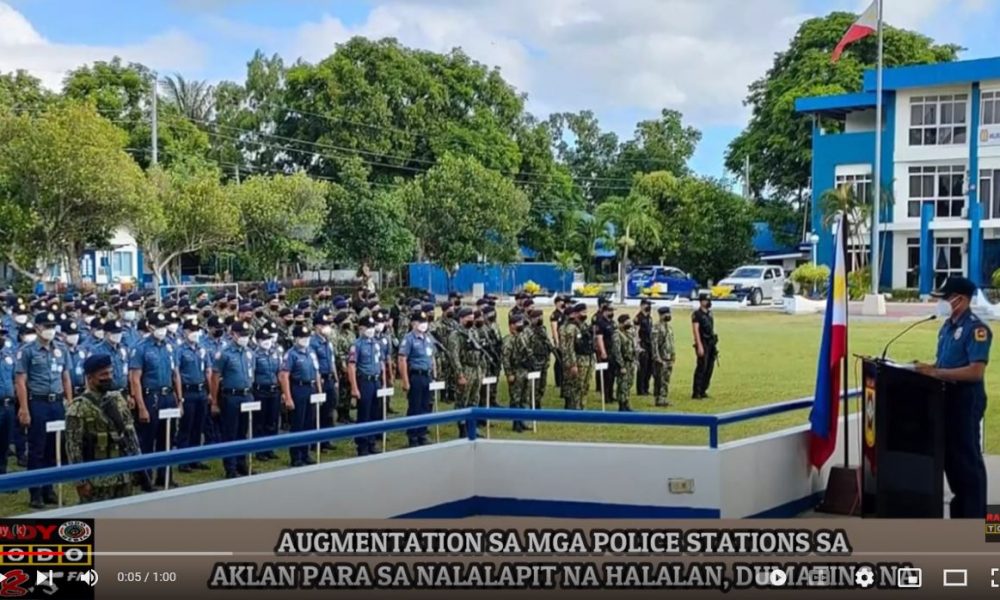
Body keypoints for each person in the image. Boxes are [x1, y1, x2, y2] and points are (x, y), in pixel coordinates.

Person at [916, 276, 992, 518]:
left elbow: (975, 371)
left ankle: (986, 526)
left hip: (965, 400)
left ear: (960, 299)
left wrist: (936, 372)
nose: (942, 302)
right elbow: (944, 363)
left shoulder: (976, 329)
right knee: (954, 464)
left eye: (946, 298)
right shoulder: (947, 327)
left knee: (969, 463)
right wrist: (924, 369)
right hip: (945, 400)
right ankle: (962, 520)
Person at [15, 312, 72, 509]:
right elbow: (21, 381)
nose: (50, 329)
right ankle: (35, 493)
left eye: (53, 325)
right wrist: (24, 408)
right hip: (38, 403)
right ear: (37, 328)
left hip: (56, 403)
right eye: (47, 325)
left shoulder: (61, 348)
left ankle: (49, 489)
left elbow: (66, 377)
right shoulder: (27, 351)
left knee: (53, 448)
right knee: (37, 449)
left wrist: (69, 401)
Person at [64, 354, 137, 503]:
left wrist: (138, 465)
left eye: (110, 373)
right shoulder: (78, 407)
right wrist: (81, 481)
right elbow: (73, 447)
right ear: (90, 378)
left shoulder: (117, 400)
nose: (108, 377)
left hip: (123, 473)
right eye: (103, 374)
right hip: (97, 478)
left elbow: (131, 435)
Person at [128, 312, 182, 488]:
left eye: (164, 326)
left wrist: (179, 399)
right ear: (150, 327)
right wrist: (141, 406)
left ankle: (165, 475)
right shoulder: (141, 347)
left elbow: (176, 374)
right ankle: (145, 478)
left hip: (168, 396)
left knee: (166, 438)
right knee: (147, 439)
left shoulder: (170, 346)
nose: (162, 329)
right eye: (159, 326)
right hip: (151, 396)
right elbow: (135, 378)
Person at [210, 321, 255, 478]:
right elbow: (215, 377)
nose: (245, 338)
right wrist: (214, 401)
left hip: (246, 394)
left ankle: (242, 463)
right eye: (242, 335)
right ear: (234, 334)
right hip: (231, 396)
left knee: (243, 431)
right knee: (230, 433)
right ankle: (230, 466)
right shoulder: (225, 353)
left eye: (247, 335)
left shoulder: (249, 352)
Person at [279, 323, 320, 466]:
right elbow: (284, 376)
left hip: (311, 388)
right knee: (298, 424)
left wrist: (319, 391)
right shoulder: (291, 354)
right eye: (302, 337)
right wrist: (288, 397)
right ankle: (296, 456)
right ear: (295, 338)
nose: (305, 339)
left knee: (309, 423)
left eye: (307, 336)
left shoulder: (311, 352)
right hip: (298, 389)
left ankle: (305, 452)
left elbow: (316, 371)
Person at [175, 318, 210, 473]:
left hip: (201, 391)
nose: (195, 333)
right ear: (185, 332)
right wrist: (180, 399)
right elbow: (176, 374)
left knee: (198, 427)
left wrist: (209, 392)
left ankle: (195, 458)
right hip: (187, 391)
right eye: (192, 330)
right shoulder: (180, 350)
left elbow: (207, 371)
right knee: (186, 428)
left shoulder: (202, 349)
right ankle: (183, 461)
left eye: (197, 330)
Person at [348, 316, 386, 456]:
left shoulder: (376, 343)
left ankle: (372, 441)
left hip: (376, 381)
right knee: (364, 413)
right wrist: (354, 387)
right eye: (367, 327)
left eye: (372, 327)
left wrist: (384, 381)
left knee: (375, 413)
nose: (370, 330)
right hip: (364, 381)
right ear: (361, 328)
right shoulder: (356, 345)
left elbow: (381, 363)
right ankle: (362, 444)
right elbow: (351, 366)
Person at [398, 309, 435, 447]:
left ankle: (422, 433)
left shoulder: (428, 339)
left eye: (425, 322)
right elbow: (402, 360)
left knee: (426, 405)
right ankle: (413, 436)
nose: (423, 325)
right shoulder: (408, 339)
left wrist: (434, 375)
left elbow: (431, 357)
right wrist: (405, 381)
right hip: (416, 376)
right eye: (420, 322)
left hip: (427, 376)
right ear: (413, 323)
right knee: (415, 407)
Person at [448, 307, 483, 436]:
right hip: (465, 368)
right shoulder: (455, 334)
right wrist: (460, 374)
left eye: (472, 318)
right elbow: (454, 356)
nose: (471, 320)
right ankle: (462, 429)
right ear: (461, 319)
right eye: (468, 318)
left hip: (476, 368)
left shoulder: (473, 332)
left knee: (474, 399)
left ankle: (472, 427)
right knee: (462, 400)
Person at [252, 325, 282, 462]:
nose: (267, 342)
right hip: (260, 391)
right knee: (260, 422)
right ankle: (260, 450)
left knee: (273, 421)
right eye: (264, 339)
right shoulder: (254, 355)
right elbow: (251, 373)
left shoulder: (275, 353)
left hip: (274, 390)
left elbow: (279, 372)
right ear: (257, 341)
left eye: (268, 339)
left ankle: (270, 448)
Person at [311, 310, 338, 450]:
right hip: (319, 381)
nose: (326, 327)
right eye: (323, 325)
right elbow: (314, 364)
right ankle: (317, 442)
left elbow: (332, 361)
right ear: (316, 326)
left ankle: (326, 439)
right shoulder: (312, 343)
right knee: (318, 412)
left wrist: (336, 378)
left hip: (329, 379)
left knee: (329, 410)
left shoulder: (328, 342)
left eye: (327, 324)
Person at [559, 303, 594, 410]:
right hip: (578, 360)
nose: (585, 314)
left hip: (587, 358)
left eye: (586, 312)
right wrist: (573, 364)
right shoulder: (571, 327)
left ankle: (582, 406)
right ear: (575, 313)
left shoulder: (583, 326)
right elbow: (569, 348)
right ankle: (575, 407)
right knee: (577, 385)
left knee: (585, 385)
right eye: (583, 312)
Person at [502, 314, 532, 432]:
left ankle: (522, 421)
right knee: (515, 399)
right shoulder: (508, 340)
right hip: (515, 371)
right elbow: (506, 358)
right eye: (518, 323)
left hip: (524, 370)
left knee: (525, 398)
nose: (520, 326)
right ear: (511, 326)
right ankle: (516, 423)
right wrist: (509, 373)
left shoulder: (523, 337)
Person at [692, 292, 718, 399]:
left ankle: (703, 389)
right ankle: (696, 392)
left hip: (711, 343)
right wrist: (699, 345)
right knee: (702, 367)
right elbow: (696, 330)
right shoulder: (697, 314)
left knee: (709, 367)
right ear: (701, 301)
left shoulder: (709, 313)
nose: (708, 302)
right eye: (706, 300)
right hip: (703, 342)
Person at [527, 308, 553, 404]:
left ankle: (538, 401)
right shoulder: (528, 331)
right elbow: (527, 347)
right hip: (535, 361)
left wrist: (548, 359)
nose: (540, 319)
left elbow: (547, 345)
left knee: (542, 385)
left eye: (541, 317)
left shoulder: (543, 329)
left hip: (544, 360)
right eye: (538, 317)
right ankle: (533, 403)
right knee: (535, 385)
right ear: (532, 319)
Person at [651, 306, 676, 407]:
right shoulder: (656, 327)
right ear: (661, 315)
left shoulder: (669, 327)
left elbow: (671, 342)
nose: (668, 316)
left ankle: (664, 398)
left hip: (668, 357)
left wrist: (673, 354)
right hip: (661, 358)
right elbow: (654, 343)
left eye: (669, 313)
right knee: (659, 379)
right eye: (666, 314)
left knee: (666, 379)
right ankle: (658, 398)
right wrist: (657, 357)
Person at [611, 315, 637, 412]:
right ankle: (622, 405)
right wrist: (621, 365)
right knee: (622, 385)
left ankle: (626, 402)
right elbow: (617, 352)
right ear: (621, 323)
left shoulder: (628, 333)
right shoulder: (617, 334)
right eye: (627, 322)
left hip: (630, 363)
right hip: (623, 363)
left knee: (629, 383)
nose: (629, 324)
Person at [594, 301, 616, 407]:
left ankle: (611, 395)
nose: (612, 313)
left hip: (613, 351)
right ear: (604, 311)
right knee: (606, 376)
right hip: (605, 351)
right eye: (610, 311)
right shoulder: (600, 323)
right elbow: (599, 338)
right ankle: (606, 396)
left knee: (612, 375)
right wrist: (602, 352)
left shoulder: (611, 322)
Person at [0, 326, 15, 475]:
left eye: (3, 335)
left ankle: (3, 474)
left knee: (4, 442)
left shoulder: (8, 355)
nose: (1, 338)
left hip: (8, 404)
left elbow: (14, 378)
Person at [635, 299, 653, 396]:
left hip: (649, 344)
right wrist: (638, 346)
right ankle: (640, 389)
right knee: (642, 368)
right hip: (642, 345)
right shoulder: (638, 318)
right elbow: (636, 333)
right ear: (642, 305)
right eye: (647, 305)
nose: (649, 307)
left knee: (649, 368)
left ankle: (646, 388)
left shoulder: (649, 317)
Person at [550, 295, 567, 390]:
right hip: (559, 340)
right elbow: (554, 329)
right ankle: (558, 381)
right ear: (556, 303)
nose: (562, 303)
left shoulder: (565, 313)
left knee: (565, 360)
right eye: (560, 301)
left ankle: (563, 379)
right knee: (559, 361)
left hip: (566, 340)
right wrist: (557, 342)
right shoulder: (555, 314)